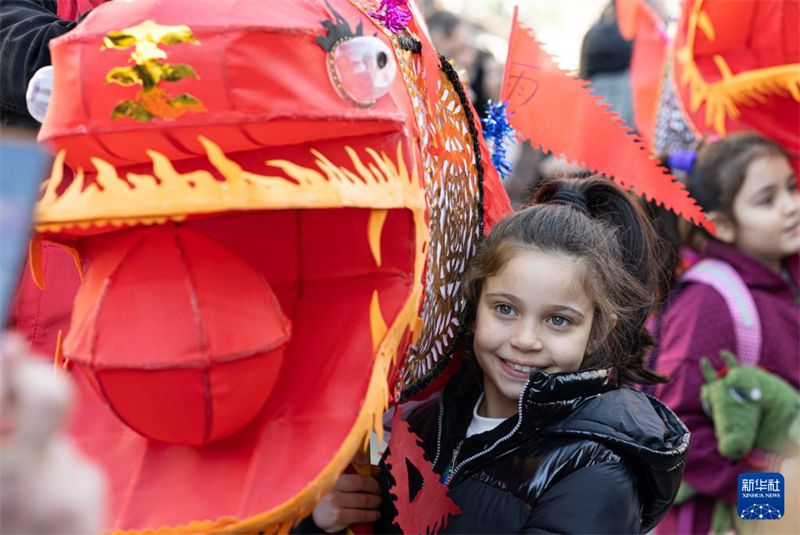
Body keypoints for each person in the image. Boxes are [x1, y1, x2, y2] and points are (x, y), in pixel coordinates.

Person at [297, 176, 690, 534]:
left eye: (558, 320)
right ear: (473, 308)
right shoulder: (420, 425)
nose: (525, 339)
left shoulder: (595, 470)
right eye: (505, 309)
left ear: (598, 331)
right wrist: (321, 524)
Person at [652, 133, 800, 534]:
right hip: (724, 517)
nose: (791, 206)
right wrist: (776, 496)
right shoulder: (709, 303)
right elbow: (677, 433)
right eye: (767, 200)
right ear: (721, 225)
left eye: (791, 187)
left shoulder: (788, 276)